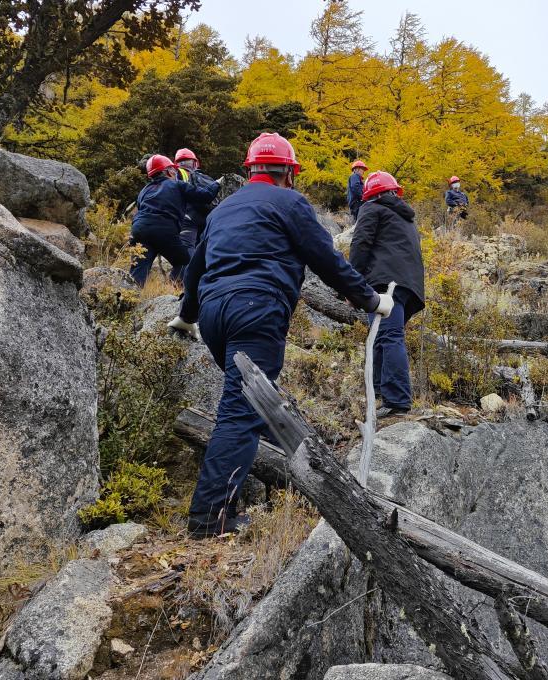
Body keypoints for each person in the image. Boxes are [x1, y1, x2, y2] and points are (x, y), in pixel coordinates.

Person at [168, 132, 394, 538]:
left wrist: (186, 316)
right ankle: (209, 519)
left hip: (214, 315)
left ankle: (287, 478)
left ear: (250, 169)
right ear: (289, 172)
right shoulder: (290, 203)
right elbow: (326, 259)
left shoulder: (223, 209)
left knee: (254, 401)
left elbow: (195, 269)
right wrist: (371, 300)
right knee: (241, 410)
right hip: (256, 307)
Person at [350, 171, 425, 418]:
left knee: (389, 336)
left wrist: (352, 284)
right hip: (409, 287)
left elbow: (360, 244)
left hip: (385, 282)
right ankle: (381, 394)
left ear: (370, 194)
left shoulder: (371, 208)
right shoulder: (405, 217)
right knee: (382, 336)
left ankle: (396, 400)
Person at [129, 154, 219, 287]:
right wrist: (216, 184)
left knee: (138, 269)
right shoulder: (177, 185)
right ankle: (174, 287)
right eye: (172, 169)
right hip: (163, 230)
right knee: (185, 261)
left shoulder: (144, 191)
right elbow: (205, 196)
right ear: (168, 171)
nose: (175, 171)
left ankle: (131, 295)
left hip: (139, 230)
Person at [173, 148, 220, 278]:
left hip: (188, 216)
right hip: (207, 216)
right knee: (204, 249)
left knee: (187, 248)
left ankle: (180, 280)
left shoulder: (179, 173)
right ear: (196, 163)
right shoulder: (205, 178)